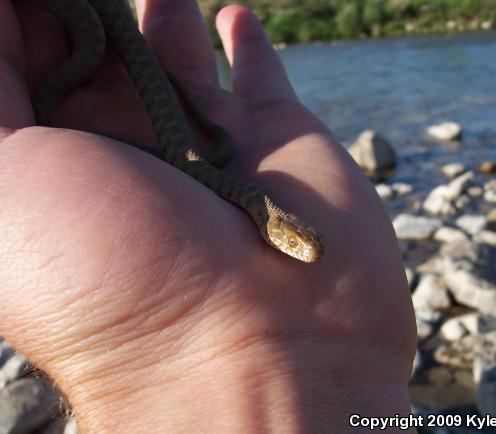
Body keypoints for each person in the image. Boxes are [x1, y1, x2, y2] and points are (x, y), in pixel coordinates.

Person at [0, 0, 417, 432]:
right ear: (277, 228)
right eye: (295, 242)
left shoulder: (261, 205)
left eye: (304, 243)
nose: (303, 252)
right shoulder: (255, 203)